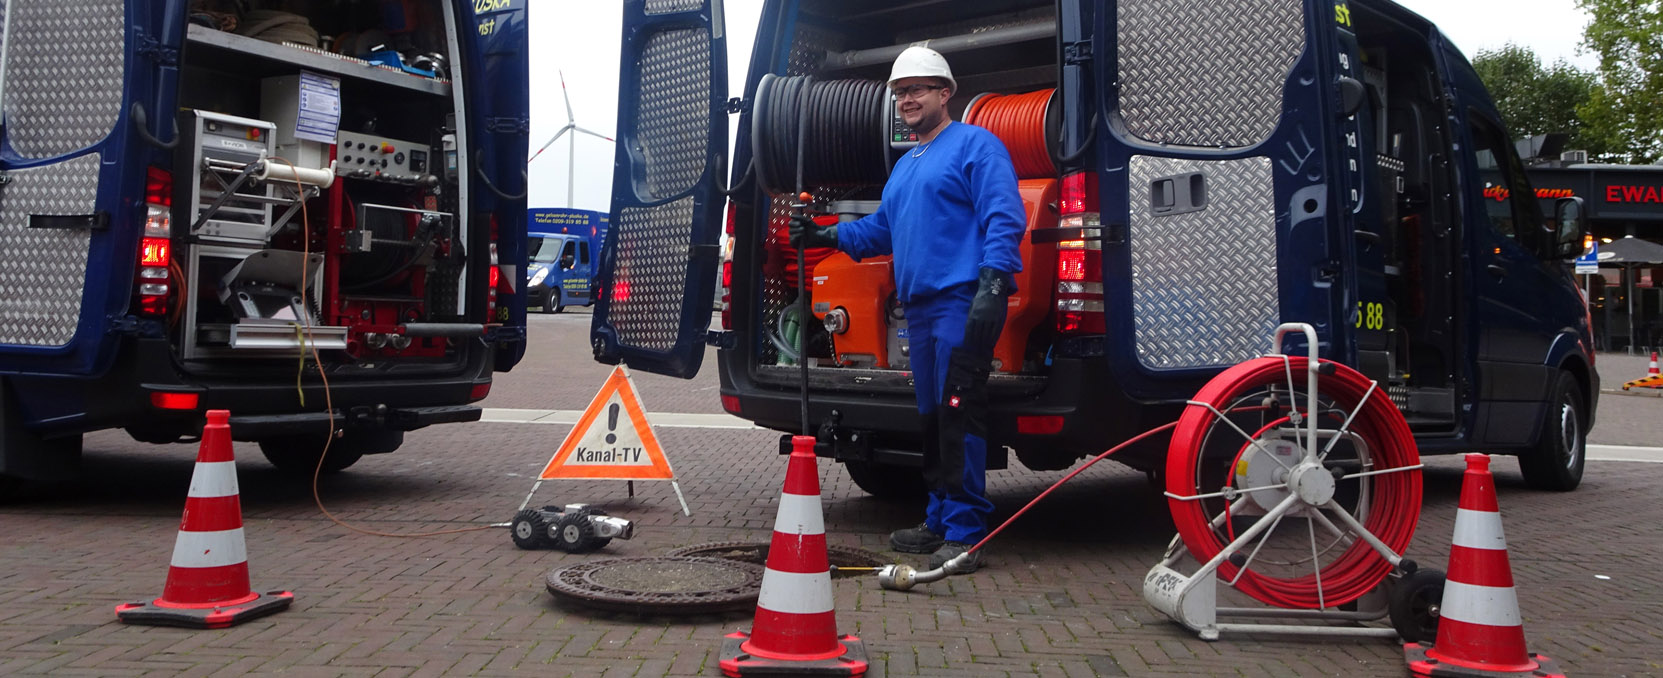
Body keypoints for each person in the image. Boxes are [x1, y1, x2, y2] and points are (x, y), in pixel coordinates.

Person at [790, 46, 1026, 571]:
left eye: (917, 89)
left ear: (947, 93)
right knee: (931, 417)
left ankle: (965, 533)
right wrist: (822, 233)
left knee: (958, 412)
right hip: (918, 310)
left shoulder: (976, 147)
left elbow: (1004, 217)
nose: (906, 100)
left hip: (963, 301)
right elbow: (880, 231)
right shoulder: (905, 167)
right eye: (900, 92)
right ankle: (939, 516)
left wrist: (993, 283)